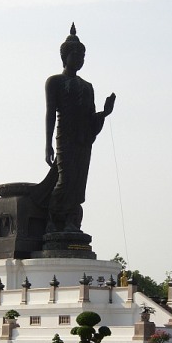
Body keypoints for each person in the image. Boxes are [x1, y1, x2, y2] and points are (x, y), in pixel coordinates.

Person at [33, 24, 115, 233]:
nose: (79, 60)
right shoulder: (54, 82)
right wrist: (47, 144)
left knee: (78, 183)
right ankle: (52, 218)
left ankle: (70, 220)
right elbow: (51, 113)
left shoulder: (88, 86)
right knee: (65, 179)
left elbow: (90, 118)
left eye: (82, 56)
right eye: (76, 55)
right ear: (65, 56)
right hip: (65, 137)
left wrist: (104, 113)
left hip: (83, 139)